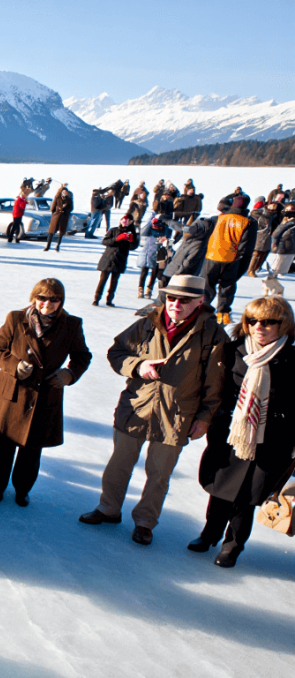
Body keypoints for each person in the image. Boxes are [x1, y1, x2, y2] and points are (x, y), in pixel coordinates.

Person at [80, 275, 227, 545]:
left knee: (159, 473)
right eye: (171, 298)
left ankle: (145, 522)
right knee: (118, 464)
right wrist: (138, 366)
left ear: (200, 301)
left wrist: (204, 419)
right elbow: (117, 352)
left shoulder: (213, 334)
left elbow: (215, 384)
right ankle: (108, 509)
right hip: (136, 405)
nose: (175, 304)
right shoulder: (148, 323)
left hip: (177, 414)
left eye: (184, 300)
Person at [192, 297, 295, 568]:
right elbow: (217, 389)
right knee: (221, 488)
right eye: (252, 321)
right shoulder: (233, 350)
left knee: (246, 496)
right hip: (232, 433)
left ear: (283, 324)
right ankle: (209, 534)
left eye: (268, 321)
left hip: (271, 440)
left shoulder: (292, 359)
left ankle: (233, 545)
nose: (259, 327)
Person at [0, 279, 92, 506]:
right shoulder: (16, 318)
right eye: (42, 298)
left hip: (45, 394)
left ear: (61, 301)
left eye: (54, 299)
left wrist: (69, 374)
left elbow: (83, 356)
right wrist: (14, 365)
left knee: (32, 450)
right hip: (13, 392)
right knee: (4, 446)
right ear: (34, 298)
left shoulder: (71, 325)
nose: (47, 304)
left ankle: (22, 489)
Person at [202, 195, 257, 324]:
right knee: (227, 286)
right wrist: (242, 268)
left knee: (207, 285)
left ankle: (203, 310)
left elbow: (221, 204)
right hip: (231, 259)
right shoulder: (248, 222)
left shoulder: (220, 217)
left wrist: (233, 194)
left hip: (212, 255)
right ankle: (223, 313)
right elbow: (247, 248)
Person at [93, 216, 138, 307]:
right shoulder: (113, 230)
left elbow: (133, 247)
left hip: (120, 260)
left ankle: (109, 300)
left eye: (127, 220)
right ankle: (96, 299)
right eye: (123, 220)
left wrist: (131, 241)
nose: (125, 222)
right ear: (120, 220)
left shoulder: (132, 232)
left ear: (130, 222)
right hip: (108, 259)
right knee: (103, 280)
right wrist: (117, 239)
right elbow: (105, 242)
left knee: (114, 282)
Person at [246, 199, 281, 277]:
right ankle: (251, 270)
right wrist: (269, 210)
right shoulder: (257, 214)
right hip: (259, 237)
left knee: (264, 253)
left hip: (266, 237)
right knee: (256, 253)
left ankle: (256, 268)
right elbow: (263, 220)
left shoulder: (271, 214)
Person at [136, 217, 168, 299]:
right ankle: (141, 289)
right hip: (146, 254)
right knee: (144, 272)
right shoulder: (149, 230)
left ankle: (149, 289)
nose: (154, 226)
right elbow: (143, 231)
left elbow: (169, 236)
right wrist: (150, 221)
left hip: (158, 254)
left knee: (154, 273)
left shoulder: (164, 230)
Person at [45, 183, 73, 252]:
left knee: (61, 233)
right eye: (64, 192)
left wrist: (65, 209)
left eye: (66, 193)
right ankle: (48, 246)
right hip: (56, 216)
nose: (65, 194)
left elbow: (71, 208)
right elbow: (52, 209)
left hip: (64, 217)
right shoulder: (57, 198)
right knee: (52, 232)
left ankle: (58, 246)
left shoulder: (69, 199)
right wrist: (60, 208)